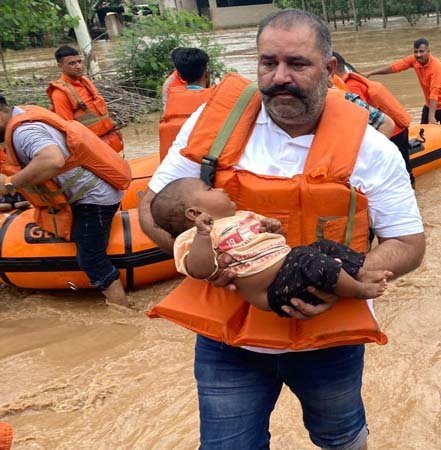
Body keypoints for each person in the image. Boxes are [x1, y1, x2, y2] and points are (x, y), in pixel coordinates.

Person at [139, 9, 424, 449]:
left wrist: (337, 284)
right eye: (268, 63)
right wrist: (209, 263)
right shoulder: (211, 129)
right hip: (227, 344)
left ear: (329, 70)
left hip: (327, 339)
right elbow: (151, 209)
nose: (279, 77)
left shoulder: (373, 150)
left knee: (342, 440)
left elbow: (408, 243)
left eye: (297, 64)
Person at [151, 177, 392, 315]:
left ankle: (360, 272)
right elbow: (200, 270)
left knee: (324, 246)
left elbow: (277, 241)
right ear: (194, 213)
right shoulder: (194, 236)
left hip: (288, 268)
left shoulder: (243, 216)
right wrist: (203, 235)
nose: (221, 188)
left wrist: (273, 229)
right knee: (307, 257)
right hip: (269, 290)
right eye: (210, 189)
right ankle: (359, 291)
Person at [0, 95, 130, 307]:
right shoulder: (24, 113)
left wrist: (11, 184)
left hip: (94, 199)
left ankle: (123, 309)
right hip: (88, 194)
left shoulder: (24, 132)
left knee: (90, 258)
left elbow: (52, 159)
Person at [333, 51, 415, 187]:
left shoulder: (351, 86)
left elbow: (362, 117)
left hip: (392, 131)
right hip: (397, 127)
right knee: (405, 168)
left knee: (401, 172)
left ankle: (410, 190)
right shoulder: (352, 80)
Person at [365, 38, 441, 132]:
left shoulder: (436, 66)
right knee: (423, 132)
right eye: (416, 52)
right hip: (429, 105)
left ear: (428, 51)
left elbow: (434, 91)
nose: (418, 55)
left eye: (421, 51)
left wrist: (431, 117)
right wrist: (371, 73)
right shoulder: (413, 60)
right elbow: (395, 67)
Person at [46, 46, 124, 152]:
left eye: (79, 62)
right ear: (60, 66)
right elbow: (67, 129)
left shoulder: (85, 83)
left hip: (109, 141)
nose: (78, 66)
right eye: (72, 63)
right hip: (92, 149)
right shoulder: (60, 94)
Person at [159, 48, 214, 160]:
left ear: (179, 74)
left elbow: (166, 115)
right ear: (206, 72)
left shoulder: (171, 92)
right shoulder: (217, 98)